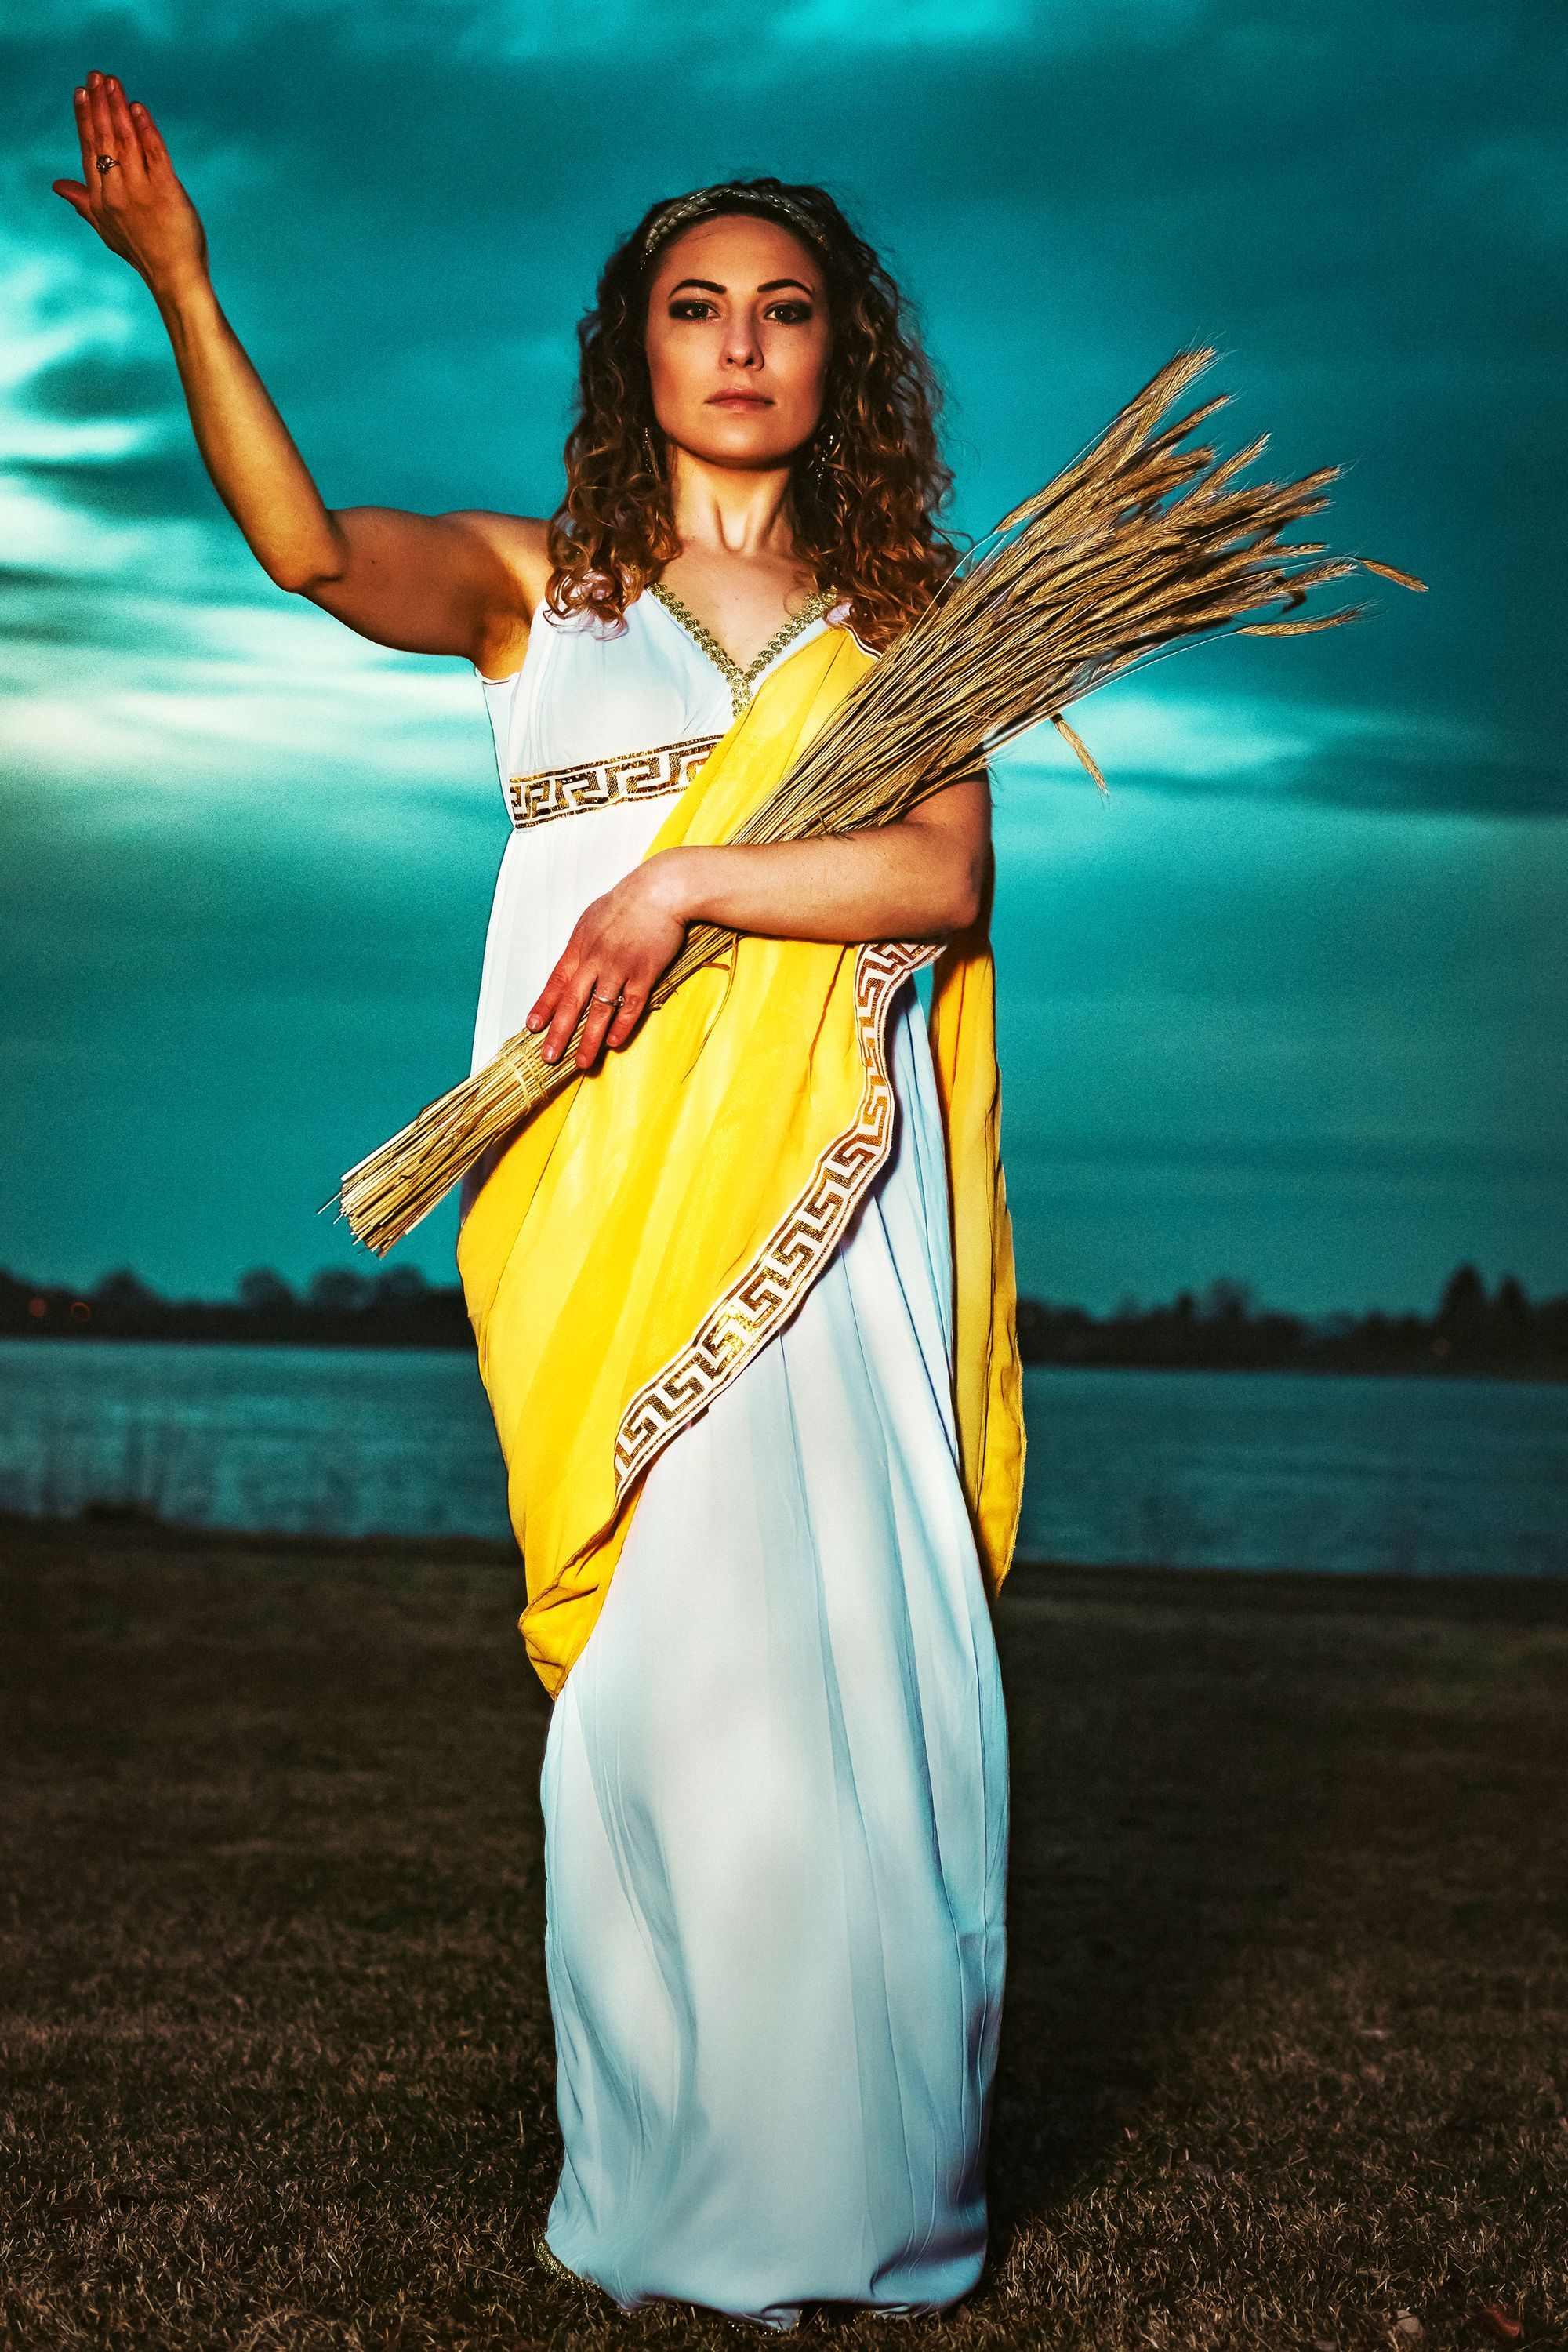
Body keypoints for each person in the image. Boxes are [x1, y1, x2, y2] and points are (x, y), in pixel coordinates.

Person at [56, 73, 1025, 2332]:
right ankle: (679, 2195)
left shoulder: (920, 616)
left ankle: (867, 2204)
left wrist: (686, 879)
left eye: (789, 313)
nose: (746, 346)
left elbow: (944, 876)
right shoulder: (533, 594)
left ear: (839, 357)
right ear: (641, 348)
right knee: (676, 1718)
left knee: (855, 1724)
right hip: (601, 1219)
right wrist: (191, 287)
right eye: (700, 308)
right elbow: (305, 551)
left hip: (832, 1231)